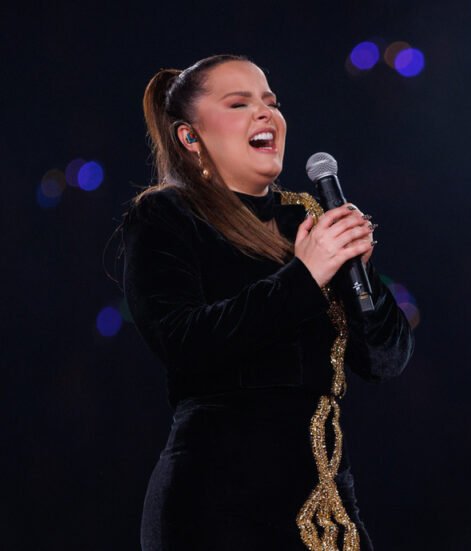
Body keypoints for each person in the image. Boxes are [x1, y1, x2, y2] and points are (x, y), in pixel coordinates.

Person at [122, 54, 413, 550]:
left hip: (326, 510)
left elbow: (385, 359)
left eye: (271, 102)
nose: (265, 113)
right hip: (216, 505)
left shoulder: (307, 219)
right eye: (239, 104)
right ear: (189, 136)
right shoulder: (166, 215)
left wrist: (359, 271)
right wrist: (305, 275)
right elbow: (183, 341)